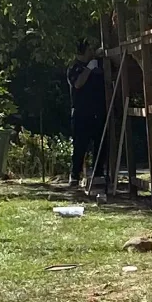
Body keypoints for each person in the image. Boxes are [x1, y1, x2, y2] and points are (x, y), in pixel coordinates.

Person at [68, 46, 106, 193]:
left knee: (100, 144)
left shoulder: (96, 64)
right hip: (81, 113)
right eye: (89, 49)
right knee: (80, 145)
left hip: (97, 112)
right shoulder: (74, 67)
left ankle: (98, 174)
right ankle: (75, 176)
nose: (91, 51)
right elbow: (78, 84)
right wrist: (89, 69)